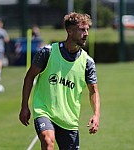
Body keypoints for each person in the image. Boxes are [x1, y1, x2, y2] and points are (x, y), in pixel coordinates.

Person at [19, 12, 100, 150]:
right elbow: (29, 77)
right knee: (47, 140)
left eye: (87, 29)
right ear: (69, 31)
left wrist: (96, 114)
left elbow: (93, 90)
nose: (86, 33)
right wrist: (24, 105)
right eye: (82, 29)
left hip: (69, 119)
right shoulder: (47, 52)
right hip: (44, 111)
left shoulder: (87, 62)